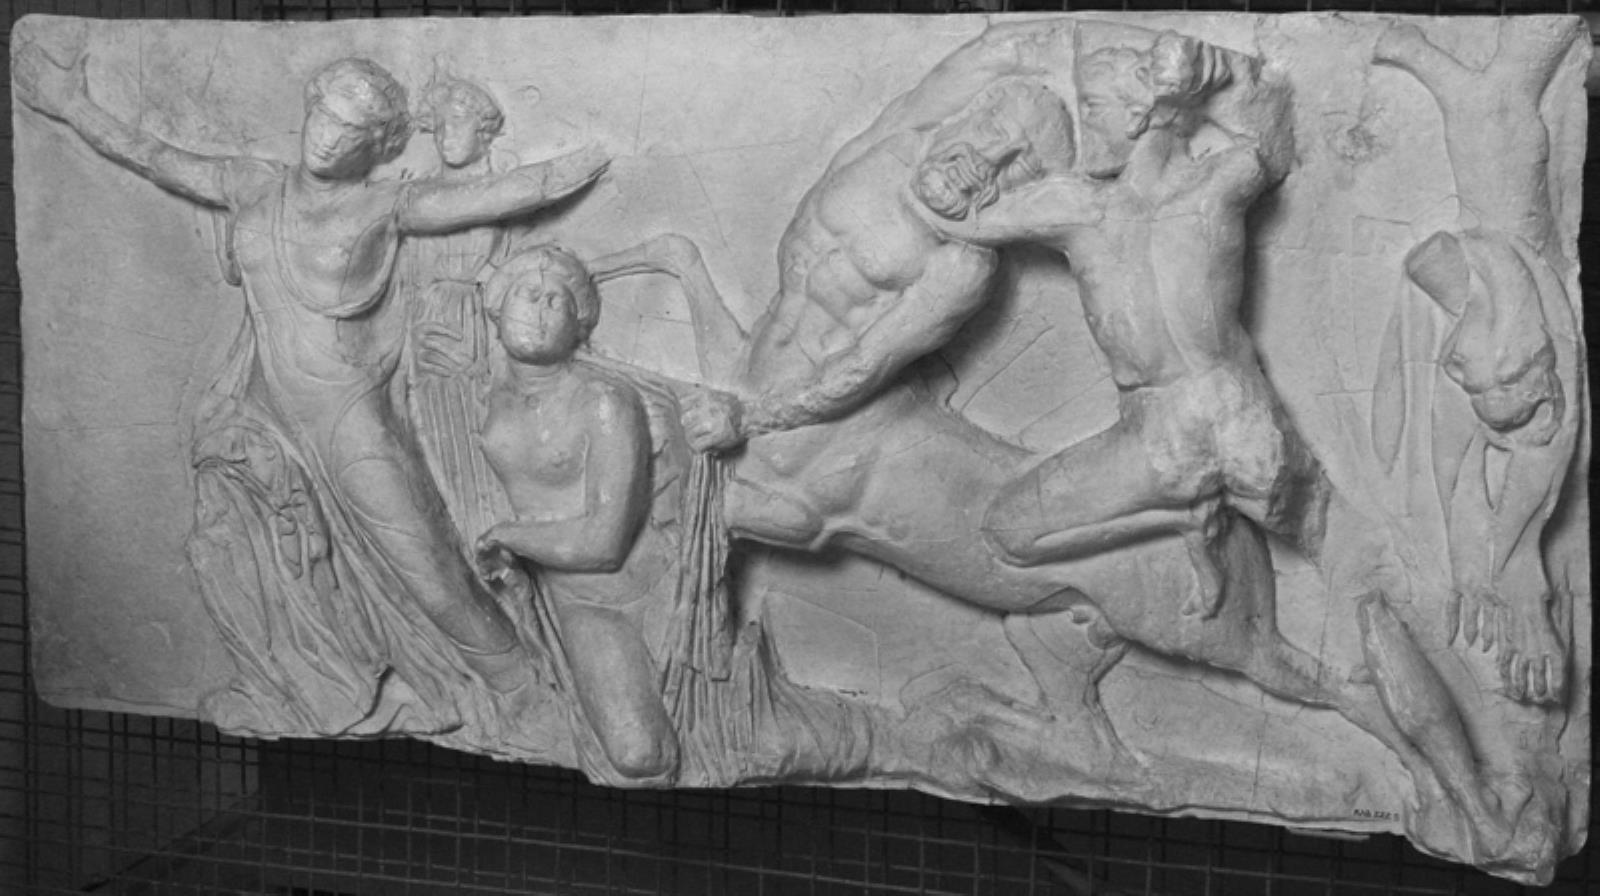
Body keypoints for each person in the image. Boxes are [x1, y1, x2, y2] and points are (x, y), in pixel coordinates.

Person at [13, 42, 609, 734]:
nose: (328, 138)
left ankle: (519, 687)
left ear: (377, 146)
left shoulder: (383, 206)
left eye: (351, 132)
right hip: (258, 410)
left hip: (345, 415)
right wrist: (71, 105)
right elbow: (153, 156)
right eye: (323, 116)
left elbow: (497, 195)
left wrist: (596, 155)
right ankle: (305, 683)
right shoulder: (252, 185)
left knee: (422, 562)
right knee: (226, 546)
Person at [472, 247, 684, 780]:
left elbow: (604, 544)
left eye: (555, 302)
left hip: (618, 591)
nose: (540, 311)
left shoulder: (603, 401)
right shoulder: (482, 396)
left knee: (640, 755)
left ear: (579, 325)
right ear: (497, 308)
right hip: (562, 591)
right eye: (528, 295)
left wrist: (507, 536)